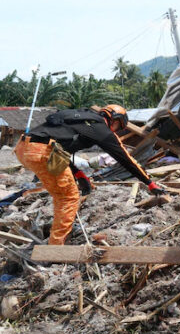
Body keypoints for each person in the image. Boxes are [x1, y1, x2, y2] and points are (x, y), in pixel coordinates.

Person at [14, 104, 163, 245]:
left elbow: (59, 150)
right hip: (43, 151)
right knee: (69, 197)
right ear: (114, 119)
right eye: (118, 126)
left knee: (60, 194)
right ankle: (56, 247)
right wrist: (149, 183)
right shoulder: (101, 129)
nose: (115, 131)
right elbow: (126, 159)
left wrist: (79, 175)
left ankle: (59, 233)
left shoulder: (80, 119)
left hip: (23, 148)